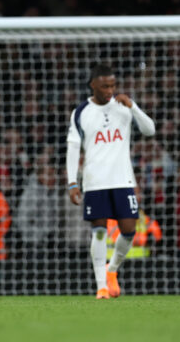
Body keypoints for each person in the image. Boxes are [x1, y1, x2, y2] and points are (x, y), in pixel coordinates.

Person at [66, 63, 155, 299]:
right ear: (93, 85)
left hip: (123, 180)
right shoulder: (81, 112)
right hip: (95, 181)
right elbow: (73, 148)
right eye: (105, 86)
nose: (110, 90)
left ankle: (111, 270)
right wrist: (72, 182)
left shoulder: (123, 108)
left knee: (128, 230)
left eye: (113, 85)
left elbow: (150, 130)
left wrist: (134, 106)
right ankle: (101, 286)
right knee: (98, 232)